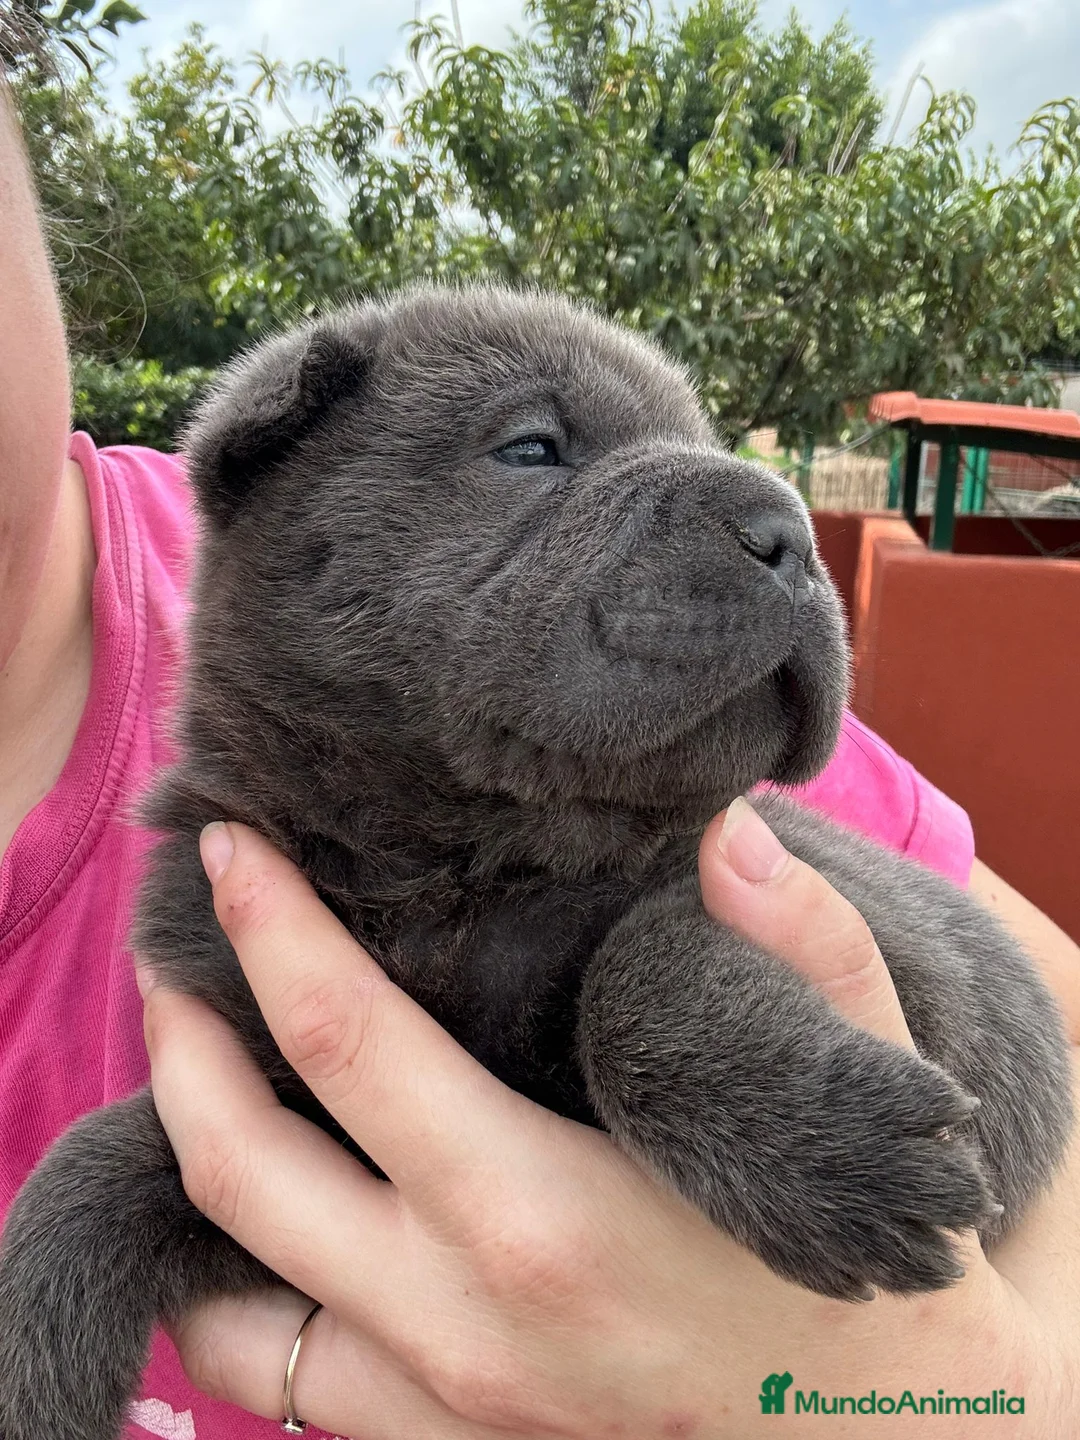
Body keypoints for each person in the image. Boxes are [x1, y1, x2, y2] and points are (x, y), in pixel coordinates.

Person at [1, 78, 1078, 1440]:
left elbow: (980, 1035)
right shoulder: (226, 908)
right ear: (277, 474)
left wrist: (994, 1398)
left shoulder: (704, 840)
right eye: (537, 450)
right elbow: (292, 1158)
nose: (770, 526)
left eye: (685, 452)